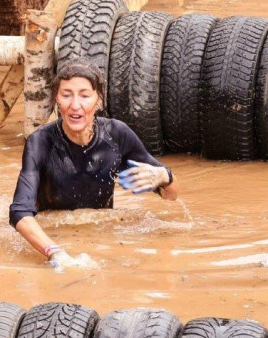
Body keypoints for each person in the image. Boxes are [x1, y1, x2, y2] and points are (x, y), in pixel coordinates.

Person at [9, 61, 179, 269]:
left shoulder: (117, 135)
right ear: (56, 99)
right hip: (52, 235)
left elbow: (172, 196)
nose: (75, 105)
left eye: (84, 95)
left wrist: (165, 177)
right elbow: (19, 213)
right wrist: (54, 252)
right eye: (66, 95)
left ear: (98, 100)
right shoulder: (41, 142)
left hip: (104, 237)